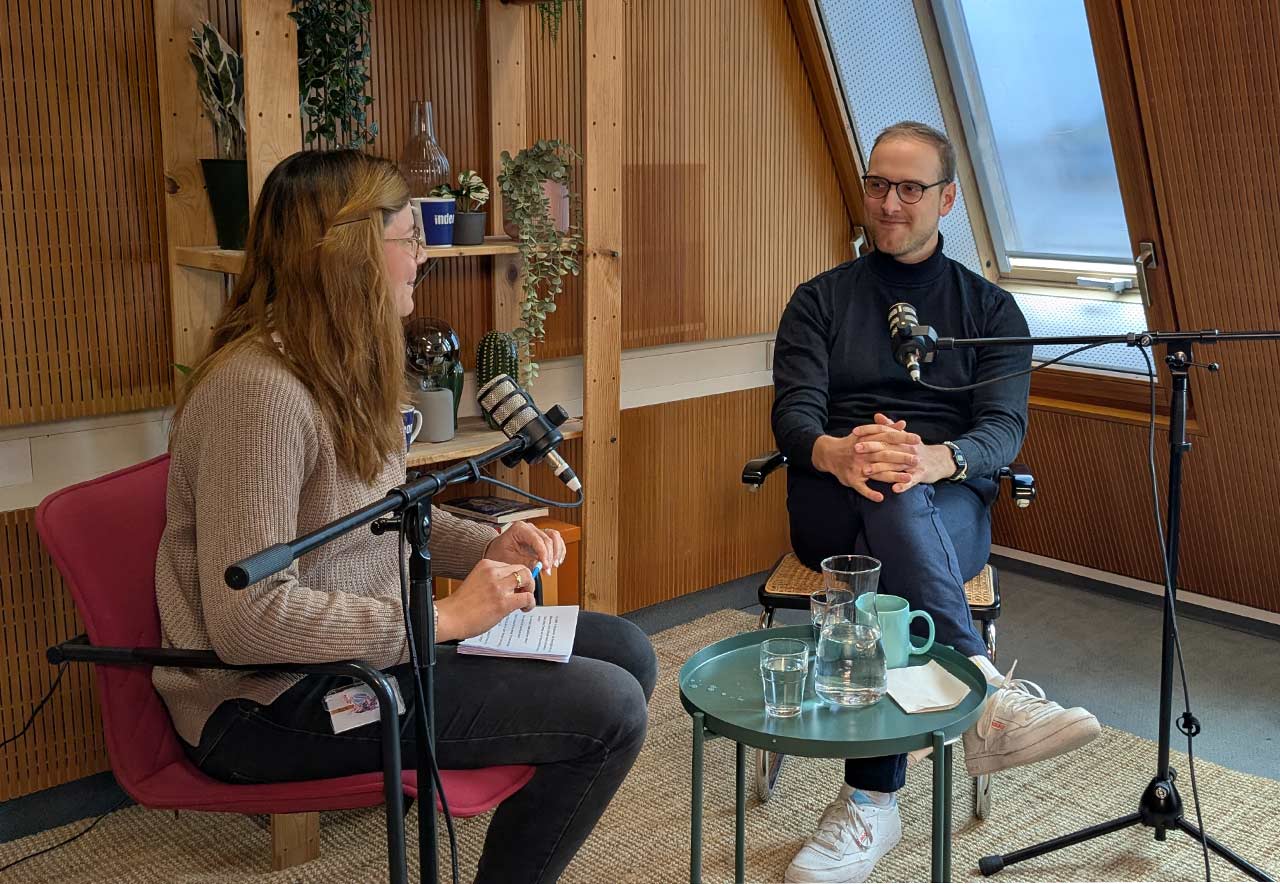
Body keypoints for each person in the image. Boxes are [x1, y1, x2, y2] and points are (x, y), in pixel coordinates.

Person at [153, 149, 656, 884]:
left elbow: (372, 522)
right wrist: (443, 623)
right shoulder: (257, 393)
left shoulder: (335, 366)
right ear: (353, 251)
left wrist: (490, 543)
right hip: (267, 706)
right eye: (410, 237)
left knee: (629, 652)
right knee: (609, 706)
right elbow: (247, 620)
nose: (424, 255)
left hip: (360, 655)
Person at [771, 121, 1100, 884]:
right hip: (828, 501)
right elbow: (794, 417)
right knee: (885, 491)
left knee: (892, 525)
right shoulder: (819, 301)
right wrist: (839, 451)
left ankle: (870, 807)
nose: (889, 203)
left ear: (946, 198)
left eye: (910, 188)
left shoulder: (989, 311)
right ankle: (985, 693)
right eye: (878, 185)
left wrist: (933, 458)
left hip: (947, 503)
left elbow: (1003, 429)